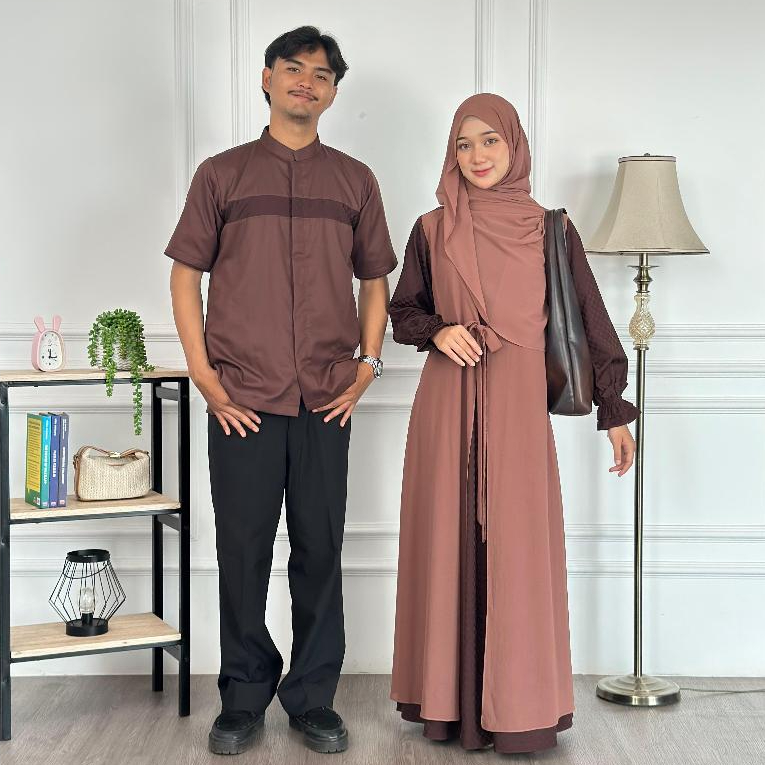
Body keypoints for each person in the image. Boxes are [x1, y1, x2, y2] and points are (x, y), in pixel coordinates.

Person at [165, 26, 397, 756]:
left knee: (319, 552)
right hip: (242, 400)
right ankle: (241, 699)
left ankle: (312, 698)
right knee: (243, 553)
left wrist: (367, 366)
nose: (306, 81)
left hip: (327, 397)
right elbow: (184, 276)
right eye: (292, 69)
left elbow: (374, 280)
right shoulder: (221, 175)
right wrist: (206, 378)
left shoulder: (355, 181)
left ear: (333, 92)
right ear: (266, 79)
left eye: (321, 74)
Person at [388, 93, 639, 755]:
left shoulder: (551, 229)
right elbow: (402, 311)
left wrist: (614, 412)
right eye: (463, 144)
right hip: (447, 402)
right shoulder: (430, 228)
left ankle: (518, 707)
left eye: (489, 141)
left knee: (518, 550)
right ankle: (446, 706)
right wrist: (438, 330)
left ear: (514, 145)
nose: (476, 156)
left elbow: (590, 321)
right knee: (448, 540)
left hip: (517, 406)